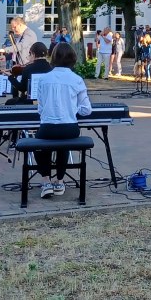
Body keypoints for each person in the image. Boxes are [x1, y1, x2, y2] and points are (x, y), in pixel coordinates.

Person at [30, 42, 91, 198]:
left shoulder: (44, 79)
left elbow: (41, 108)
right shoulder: (77, 79)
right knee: (64, 144)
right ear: (72, 59)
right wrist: (71, 109)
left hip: (48, 127)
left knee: (39, 145)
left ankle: (46, 182)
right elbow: (86, 110)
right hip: (70, 128)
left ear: (53, 57)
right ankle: (60, 181)